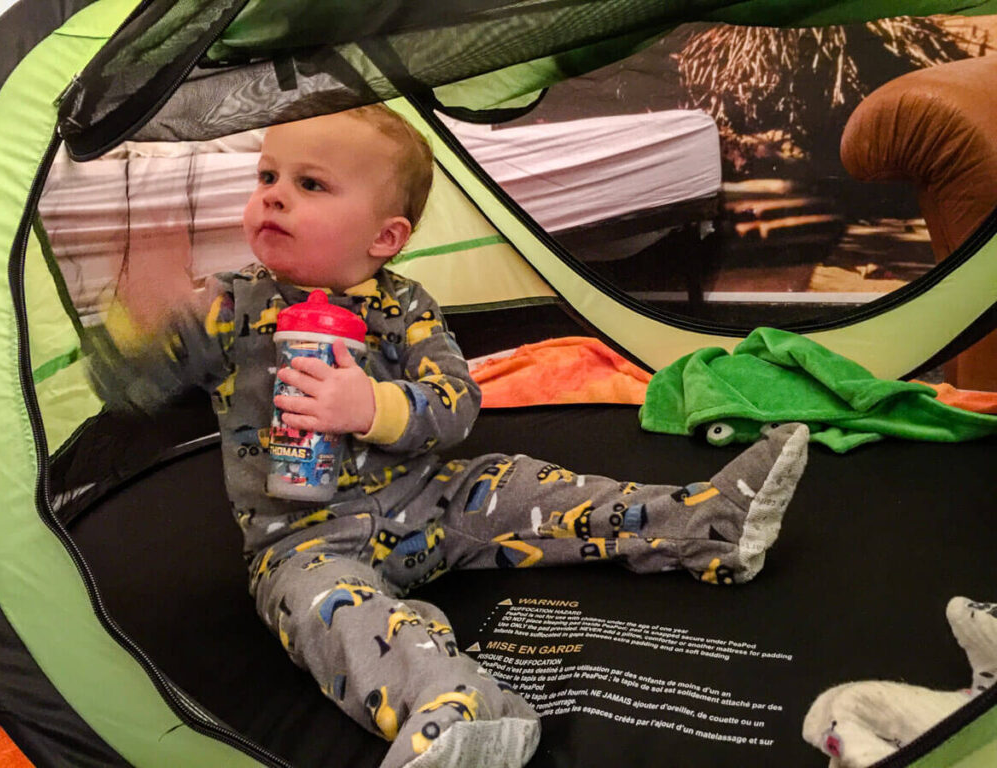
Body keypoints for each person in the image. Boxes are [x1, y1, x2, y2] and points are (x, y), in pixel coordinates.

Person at [89, 105, 809, 768]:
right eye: (267, 176)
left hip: (427, 501)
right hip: (301, 540)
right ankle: (461, 710)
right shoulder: (231, 306)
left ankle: (705, 523)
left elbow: (456, 403)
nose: (273, 195)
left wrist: (370, 406)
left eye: (310, 183)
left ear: (385, 236)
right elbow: (136, 386)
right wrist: (139, 321)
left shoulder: (405, 308)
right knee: (330, 614)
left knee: (522, 483)